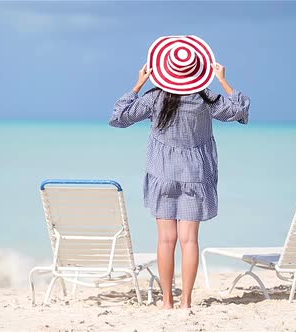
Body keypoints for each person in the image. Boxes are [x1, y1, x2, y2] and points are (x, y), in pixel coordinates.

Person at [109, 36, 250, 309]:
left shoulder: (153, 98)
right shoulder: (207, 99)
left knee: (165, 239)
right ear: (198, 72)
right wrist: (223, 80)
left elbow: (119, 117)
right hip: (196, 175)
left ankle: (167, 302)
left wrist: (138, 83)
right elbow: (239, 110)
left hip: (162, 174)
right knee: (189, 241)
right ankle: (186, 302)